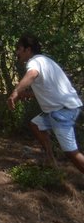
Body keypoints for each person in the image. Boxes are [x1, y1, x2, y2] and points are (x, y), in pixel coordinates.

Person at [7, 34, 84, 173]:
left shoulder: (34, 62)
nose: (17, 53)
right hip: (66, 107)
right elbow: (50, 90)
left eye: (18, 48)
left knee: (71, 152)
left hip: (61, 111)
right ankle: (50, 160)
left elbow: (32, 74)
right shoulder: (47, 61)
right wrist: (26, 94)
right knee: (35, 124)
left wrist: (16, 92)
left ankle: (53, 160)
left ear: (27, 49)